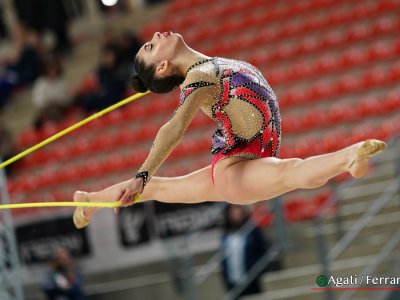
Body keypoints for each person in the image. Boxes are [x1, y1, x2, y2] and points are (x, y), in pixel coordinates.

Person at [72, 32, 386, 228]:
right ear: (163, 67)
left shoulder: (211, 64)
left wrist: (143, 182)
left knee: (161, 190)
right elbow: (175, 127)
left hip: (245, 155)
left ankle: (89, 202)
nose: (156, 33)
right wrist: (142, 175)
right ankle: (348, 157)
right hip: (237, 167)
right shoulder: (199, 77)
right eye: (152, 46)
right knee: (291, 173)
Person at [221, 204, 270, 299]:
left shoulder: (252, 230)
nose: (236, 214)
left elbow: (263, 251)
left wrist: (256, 270)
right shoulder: (226, 235)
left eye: (238, 211)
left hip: (252, 279)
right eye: (232, 212)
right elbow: (224, 259)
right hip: (233, 281)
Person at [32, 55, 70, 129]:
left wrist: (59, 101)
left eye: (54, 68)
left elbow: (66, 98)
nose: (52, 71)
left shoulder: (61, 81)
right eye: (50, 69)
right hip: (47, 109)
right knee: (51, 110)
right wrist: (50, 101)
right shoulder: (41, 83)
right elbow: (38, 101)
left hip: (62, 107)